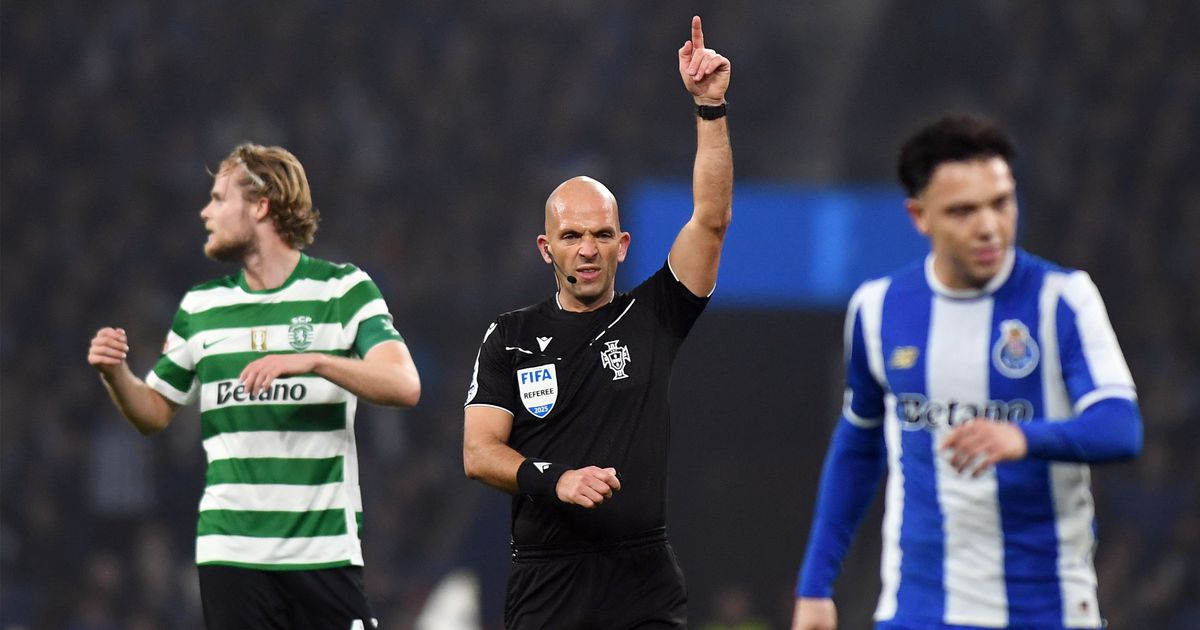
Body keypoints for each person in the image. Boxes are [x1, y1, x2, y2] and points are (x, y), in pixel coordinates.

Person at [791, 114, 1143, 630]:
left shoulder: (1063, 300)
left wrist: (1022, 437)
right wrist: (815, 586)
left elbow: (1121, 428)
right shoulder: (878, 309)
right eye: (963, 211)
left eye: (1001, 203)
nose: (989, 227)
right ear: (920, 216)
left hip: (1047, 609)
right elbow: (858, 446)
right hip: (918, 610)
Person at [461, 15, 732, 629]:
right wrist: (553, 479)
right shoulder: (510, 337)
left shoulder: (654, 316)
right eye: (572, 236)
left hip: (642, 580)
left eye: (602, 235)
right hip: (548, 579)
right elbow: (479, 453)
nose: (587, 249)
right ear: (545, 248)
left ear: (623, 245)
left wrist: (710, 108)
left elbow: (710, 220)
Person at [86, 143, 421, 629]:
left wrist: (313, 361)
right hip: (231, 555)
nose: (205, 212)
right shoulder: (201, 307)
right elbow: (154, 412)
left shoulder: (342, 290)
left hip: (322, 551)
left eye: (219, 198)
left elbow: (404, 384)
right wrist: (116, 375)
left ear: (261, 206)